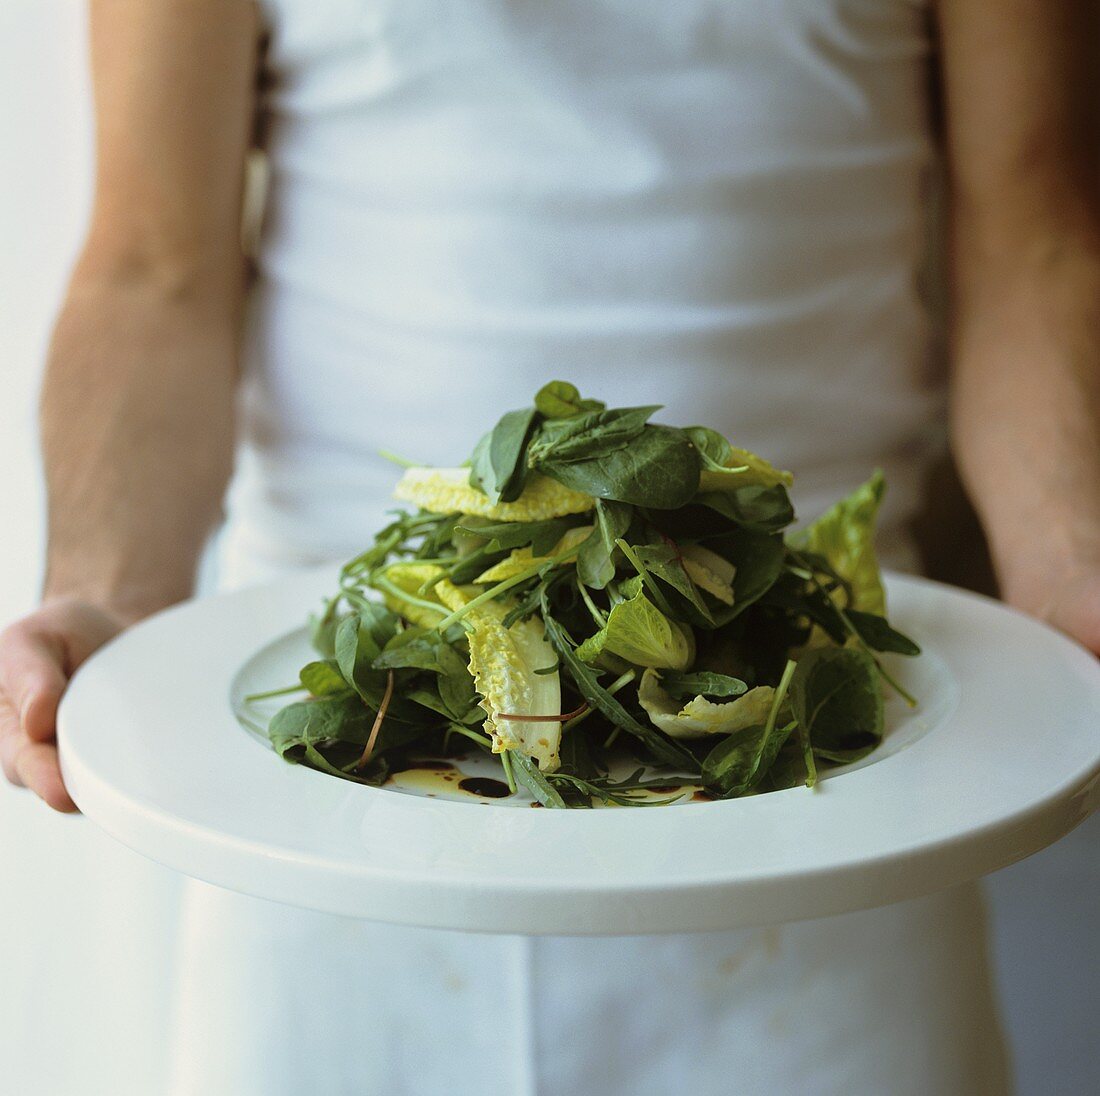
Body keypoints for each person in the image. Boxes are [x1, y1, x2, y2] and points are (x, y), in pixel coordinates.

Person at [2, 1, 1098, 1093]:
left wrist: (1067, 568)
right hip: (338, 827)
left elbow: (1032, 228)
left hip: (827, 811)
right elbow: (154, 265)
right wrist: (105, 589)